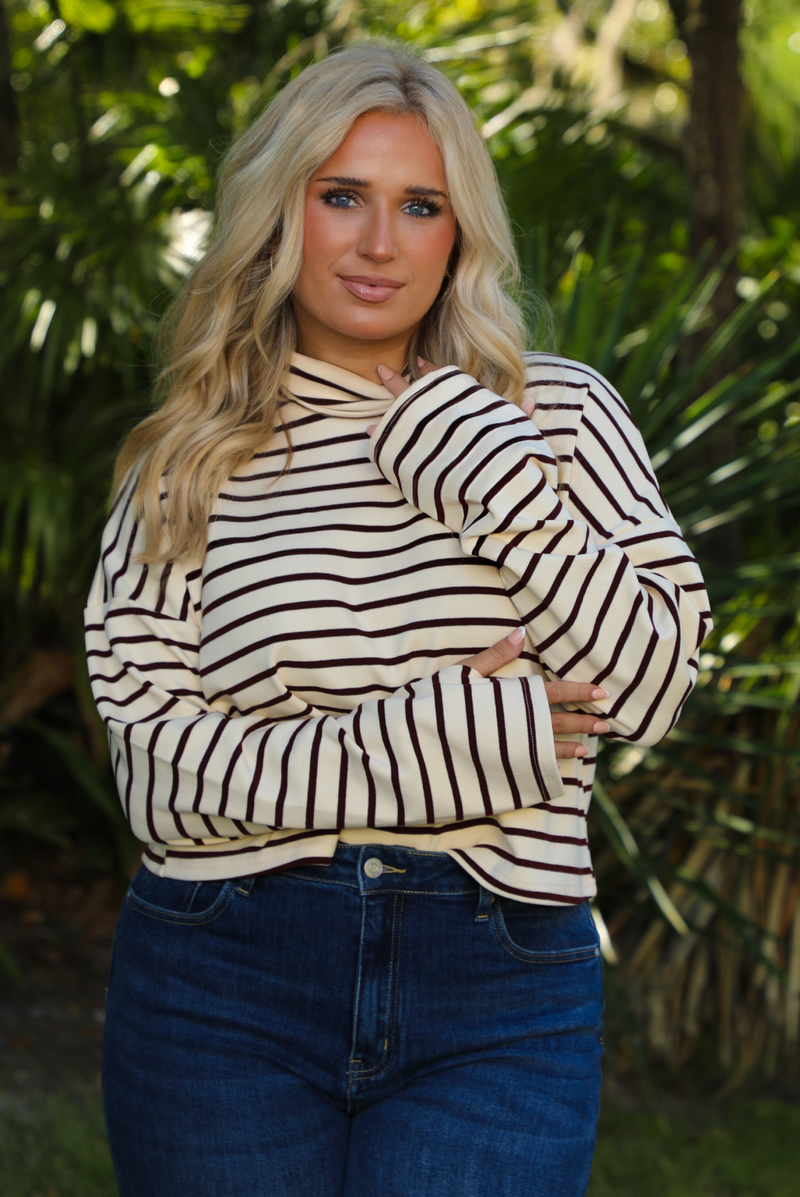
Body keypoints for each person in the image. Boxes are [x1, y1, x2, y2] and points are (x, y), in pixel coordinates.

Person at [86, 43, 711, 1197]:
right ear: (282, 214)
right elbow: (159, 776)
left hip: (499, 989)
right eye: (341, 197)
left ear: (458, 230)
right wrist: (450, 743)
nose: (379, 243)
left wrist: (483, 472)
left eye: (418, 205)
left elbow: (646, 689)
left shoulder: (555, 415)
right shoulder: (187, 461)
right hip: (220, 978)